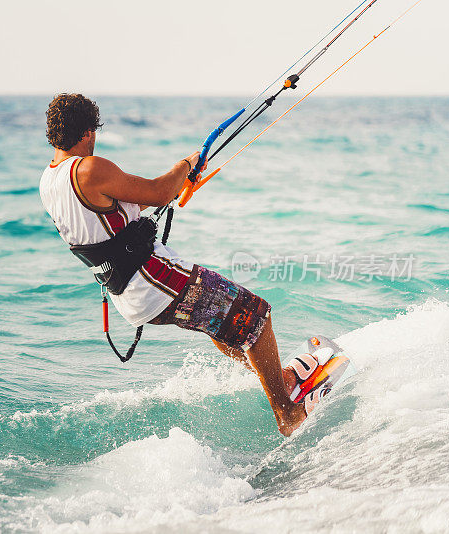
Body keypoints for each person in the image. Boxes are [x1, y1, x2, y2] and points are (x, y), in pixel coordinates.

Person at [39, 93, 308, 436]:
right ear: (88, 132)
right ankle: (286, 412)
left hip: (128, 293)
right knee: (256, 315)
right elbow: (159, 192)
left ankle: (277, 379)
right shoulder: (89, 169)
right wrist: (186, 164)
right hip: (155, 281)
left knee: (220, 323)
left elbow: (103, 224)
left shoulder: (48, 180)